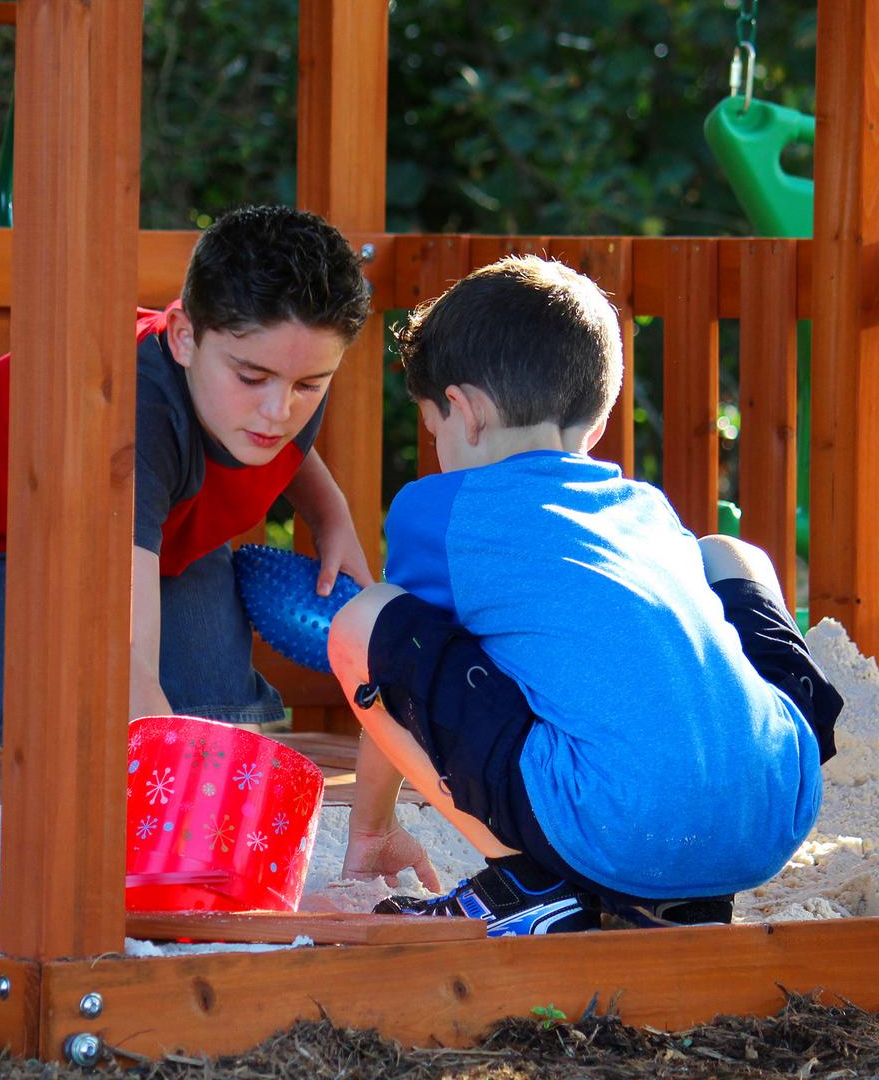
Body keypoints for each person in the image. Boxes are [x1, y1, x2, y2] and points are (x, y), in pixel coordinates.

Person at [327, 255, 843, 935]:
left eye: (435, 430)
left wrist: (371, 832)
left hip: (617, 826)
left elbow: (399, 667)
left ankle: (528, 876)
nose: (439, 449)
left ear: (466, 411)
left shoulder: (444, 510)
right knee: (727, 553)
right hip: (772, 808)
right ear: (595, 425)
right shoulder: (646, 509)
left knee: (362, 622)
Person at [0, 205, 374, 741]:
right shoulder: (129, 419)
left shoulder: (283, 377)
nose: (279, 411)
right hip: (18, 531)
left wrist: (330, 515)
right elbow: (129, 657)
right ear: (184, 337)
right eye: (252, 377)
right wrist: (167, 766)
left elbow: (292, 444)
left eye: (309, 386)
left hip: (161, 522)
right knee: (70, 730)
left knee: (212, 707)